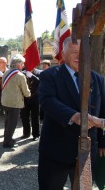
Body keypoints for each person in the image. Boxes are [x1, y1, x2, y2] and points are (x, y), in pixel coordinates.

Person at [38, 37, 105, 190]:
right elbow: (47, 101)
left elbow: (102, 110)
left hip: (87, 152)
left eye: (82, 52)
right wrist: (75, 117)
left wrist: (102, 142)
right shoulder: (50, 75)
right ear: (63, 53)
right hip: (56, 151)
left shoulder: (97, 79)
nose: (79, 56)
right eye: (74, 52)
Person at [1, 54, 30, 148]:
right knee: (12, 124)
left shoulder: (5, 72)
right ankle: (7, 142)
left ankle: (7, 138)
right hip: (15, 103)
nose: (23, 66)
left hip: (5, 101)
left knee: (7, 122)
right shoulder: (20, 75)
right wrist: (29, 94)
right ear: (18, 64)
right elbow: (26, 92)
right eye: (22, 64)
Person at [20, 69, 40, 141]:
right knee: (24, 117)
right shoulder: (22, 73)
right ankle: (26, 133)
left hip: (34, 98)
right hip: (25, 98)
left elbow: (40, 82)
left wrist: (32, 76)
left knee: (35, 117)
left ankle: (36, 134)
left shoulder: (39, 73)